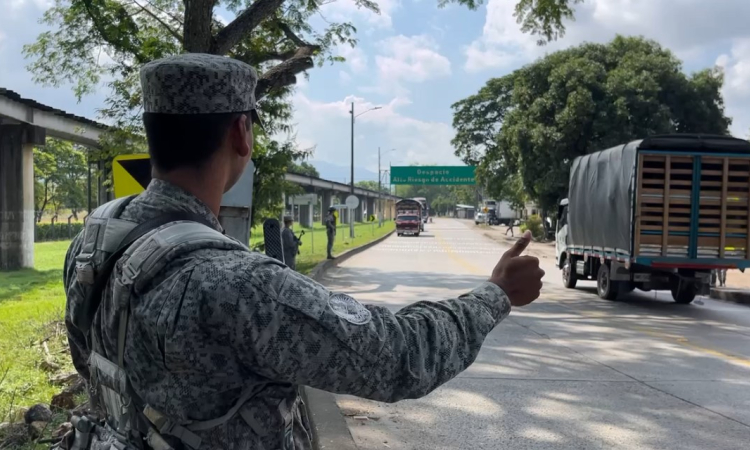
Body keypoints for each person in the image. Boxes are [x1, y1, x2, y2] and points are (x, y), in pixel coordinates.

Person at [62, 53, 545, 450]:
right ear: (240, 134)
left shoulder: (96, 240)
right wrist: (496, 294)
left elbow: (89, 364)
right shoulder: (238, 286)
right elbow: (400, 358)